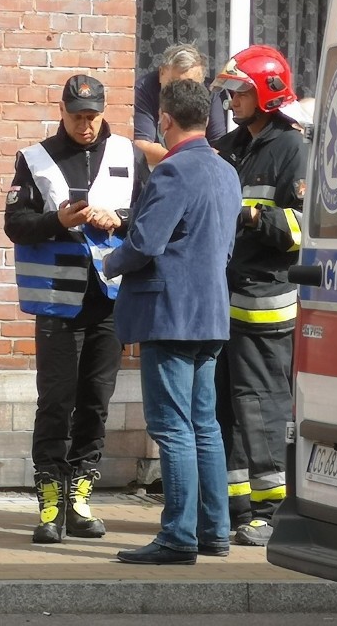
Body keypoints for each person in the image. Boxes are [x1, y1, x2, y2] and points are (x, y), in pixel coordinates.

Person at [4, 74, 149, 544]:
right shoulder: (36, 158)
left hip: (109, 300)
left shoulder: (128, 154)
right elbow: (15, 224)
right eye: (77, 116)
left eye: (93, 117)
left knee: (95, 403)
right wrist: (56, 220)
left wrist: (120, 219)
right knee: (54, 405)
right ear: (62, 111)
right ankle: (50, 507)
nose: (86, 126)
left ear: (104, 112)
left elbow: (149, 216)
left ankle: (81, 501)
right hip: (57, 304)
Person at [103, 79, 242, 565]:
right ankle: (214, 530)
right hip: (211, 313)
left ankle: (179, 536)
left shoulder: (172, 171)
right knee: (205, 425)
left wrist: (108, 263)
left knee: (172, 426)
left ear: (164, 119)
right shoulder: (227, 172)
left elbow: (144, 244)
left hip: (170, 315)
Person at [209, 45, 309, 546]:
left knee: (263, 406)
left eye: (240, 90)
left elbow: (301, 230)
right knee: (224, 406)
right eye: (230, 91)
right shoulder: (227, 146)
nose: (231, 99)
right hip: (222, 301)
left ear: (267, 92)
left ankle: (273, 515)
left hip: (265, 302)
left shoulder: (293, 149)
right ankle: (237, 507)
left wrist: (250, 216)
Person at [134, 43, 228, 167]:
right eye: (173, 83)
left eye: (189, 85)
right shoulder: (145, 88)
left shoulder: (211, 92)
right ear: (161, 72)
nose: (180, 93)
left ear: (202, 81)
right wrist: (188, 163)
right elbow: (142, 147)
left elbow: (219, 149)